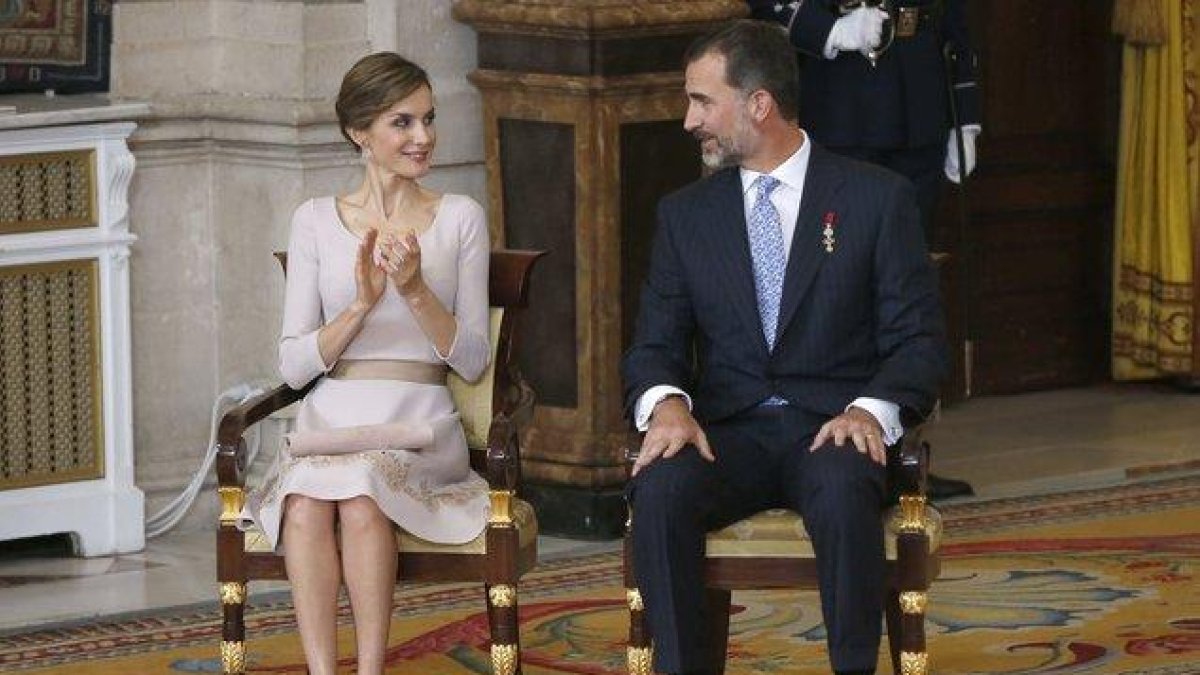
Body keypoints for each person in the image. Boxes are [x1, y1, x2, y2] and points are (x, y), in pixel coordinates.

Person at [622, 20, 945, 675]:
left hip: (830, 426)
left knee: (842, 480)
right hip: (728, 433)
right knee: (660, 485)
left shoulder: (875, 200)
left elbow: (919, 343)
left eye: (702, 101)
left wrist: (869, 412)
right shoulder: (686, 216)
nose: (689, 121)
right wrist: (667, 406)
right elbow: (653, 345)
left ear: (759, 104)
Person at [239, 52, 492, 675]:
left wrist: (413, 291)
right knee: (302, 503)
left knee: (361, 494)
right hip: (334, 419)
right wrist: (360, 305)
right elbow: (294, 365)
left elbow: (474, 359)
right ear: (361, 133)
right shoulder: (314, 221)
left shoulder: (460, 217)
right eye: (402, 122)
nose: (424, 137)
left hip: (421, 420)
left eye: (429, 119)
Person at [749, 0, 979, 500]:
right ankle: (840, 444)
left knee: (909, 291)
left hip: (919, 101)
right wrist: (827, 29)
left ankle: (905, 448)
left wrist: (966, 108)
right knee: (840, 289)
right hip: (843, 104)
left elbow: (954, 17)